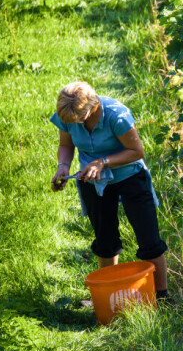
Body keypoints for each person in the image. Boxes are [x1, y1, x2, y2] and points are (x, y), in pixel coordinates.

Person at [50, 81, 170, 303]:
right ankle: (107, 295)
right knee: (104, 239)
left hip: (130, 176)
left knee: (148, 238)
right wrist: (63, 166)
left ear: (93, 105)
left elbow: (136, 151)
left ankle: (161, 296)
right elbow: (66, 145)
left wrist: (103, 162)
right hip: (93, 179)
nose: (76, 124)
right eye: (71, 122)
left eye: (80, 119)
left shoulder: (116, 115)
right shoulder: (68, 113)